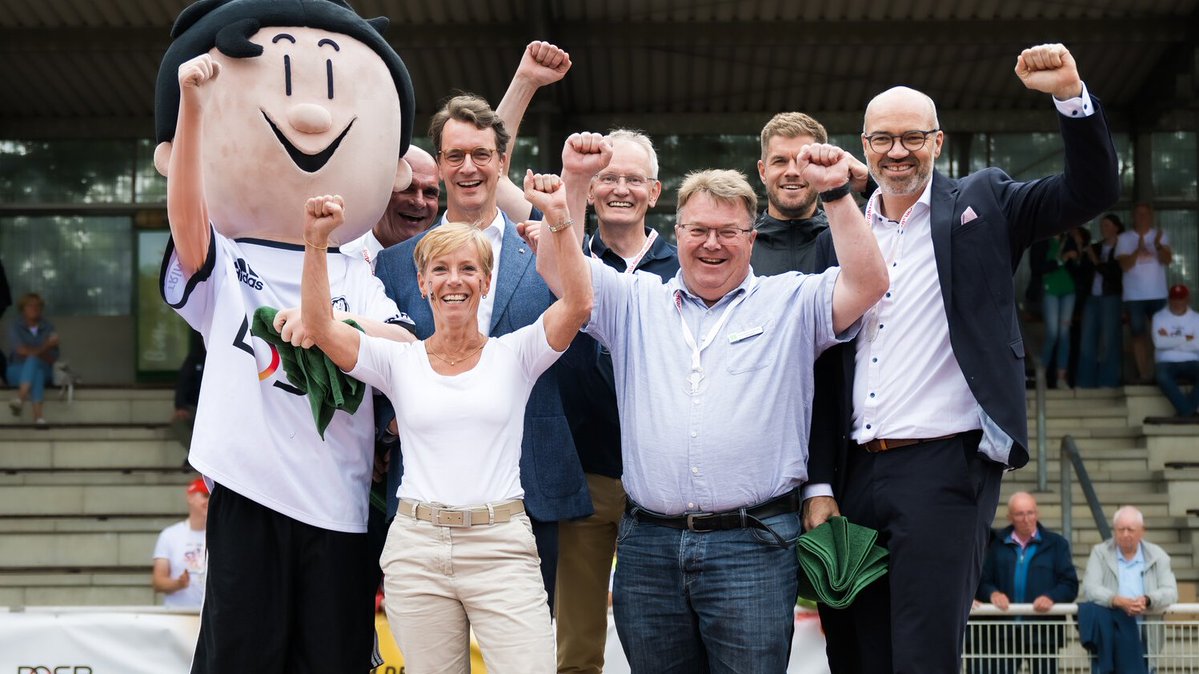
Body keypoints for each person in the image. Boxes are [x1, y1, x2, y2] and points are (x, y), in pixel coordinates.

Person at [809, 44, 1120, 674]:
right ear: (863, 146)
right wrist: (818, 484)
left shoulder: (986, 205)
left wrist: (1070, 96)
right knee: (854, 653)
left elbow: (1092, 191)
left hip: (944, 470)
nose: (898, 151)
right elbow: (819, 371)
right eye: (883, 139)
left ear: (939, 142)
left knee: (923, 656)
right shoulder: (836, 236)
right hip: (852, 479)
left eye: (913, 138)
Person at [538, 150, 888, 671]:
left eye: (728, 232)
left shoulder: (790, 301)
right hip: (648, 548)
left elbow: (867, 284)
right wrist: (573, 181)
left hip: (753, 547)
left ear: (752, 238)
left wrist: (836, 193)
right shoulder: (636, 301)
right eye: (699, 229)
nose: (712, 243)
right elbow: (556, 268)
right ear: (676, 232)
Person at [152, 1, 418, 670]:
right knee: (241, 656)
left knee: (334, 658)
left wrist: (335, 324)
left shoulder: (351, 268)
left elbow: (406, 345)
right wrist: (192, 109)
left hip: (340, 500)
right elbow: (187, 217)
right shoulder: (226, 263)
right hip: (249, 493)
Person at [294, 170, 590, 673]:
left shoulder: (514, 355)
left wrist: (559, 218)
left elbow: (579, 303)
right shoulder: (398, 360)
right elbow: (321, 326)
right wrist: (316, 243)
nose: (455, 280)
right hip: (418, 549)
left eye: (469, 269)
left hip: (502, 548)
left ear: (486, 280)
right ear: (423, 282)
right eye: (442, 270)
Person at [374, 93, 593, 609]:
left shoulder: (545, 251)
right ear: (441, 163)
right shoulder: (394, 264)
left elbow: (583, 323)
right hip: (422, 499)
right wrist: (388, 426)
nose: (468, 168)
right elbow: (377, 362)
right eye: (455, 156)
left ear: (502, 162)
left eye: (480, 155)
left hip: (528, 488)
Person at [554, 129, 679, 674]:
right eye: (608, 177)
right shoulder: (562, 255)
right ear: (592, 188)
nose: (620, 188)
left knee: (662, 643)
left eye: (633, 178)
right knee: (577, 650)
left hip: (665, 486)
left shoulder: (690, 266)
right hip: (583, 478)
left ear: (655, 191)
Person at [971, 492, 1078, 674]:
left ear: (1038, 514)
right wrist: (992, 593)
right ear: (1009, 517)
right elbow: (981, 581)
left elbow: (1070, 584)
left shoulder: (1057, 544)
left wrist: (1051, 597)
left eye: (1030, 513)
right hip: (1002, 634)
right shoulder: (995, 544)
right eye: (1020, 514)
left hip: (1043, 633)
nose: (1026, 519)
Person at [1082, 506, 1179, 661]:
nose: (1125, 534)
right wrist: (1116, 600)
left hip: (1145, 636)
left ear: (1142, 531)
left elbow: (1171, 592)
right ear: (1114, 530)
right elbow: (1089, 588)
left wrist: (1148, 600)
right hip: (1108, 635)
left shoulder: (1158, 555)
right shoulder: (1100, 553)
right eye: (1120, 529)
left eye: (1130, 529)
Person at [340, 146, 441, 270]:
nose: (419, 202)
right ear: (378, 189)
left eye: (430, 193)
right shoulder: (342, 258)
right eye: (407, 188)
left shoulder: (447, 264)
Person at [1117, 203, 1173, 384]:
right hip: (1134, 296)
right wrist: (1137, 249)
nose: (1142, 218)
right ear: (1133, 216)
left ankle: (1161, 372)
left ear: (1151, 216)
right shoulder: (1124, 238)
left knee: (1160, 334)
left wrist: (1157, 245)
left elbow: (1167, 260)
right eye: (1138, 214)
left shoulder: (1160, 236)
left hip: (1158, 293)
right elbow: (1125, 266)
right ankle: (1144, 375)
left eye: (1145, 214)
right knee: (1138, 334)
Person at [1077, 214, 1125, 388]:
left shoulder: (1122, 248)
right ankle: (1085, 382)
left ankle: (1108, 382)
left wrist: (1096, 261)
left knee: (1109, 340)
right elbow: (1083, 273)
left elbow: (1115, 276)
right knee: (1087, 341)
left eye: (1107, 225)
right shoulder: (1095, 248)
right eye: (1102, 225)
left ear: (1116, 227)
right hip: (1092, 298)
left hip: (1111, 297)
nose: (1104, 228)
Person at [151, 477, 210, 610]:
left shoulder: (221, 535)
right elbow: (158, 582)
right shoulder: (170, 535)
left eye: (212, 496)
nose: (209, 501)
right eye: (205, 495)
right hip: (179, 615)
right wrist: (178, 583)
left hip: (212, 617)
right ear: (190, 497)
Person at [7, 292, 60, 424]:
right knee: (36, 371)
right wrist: (45, 346)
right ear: (23, 309)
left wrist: (34, 352)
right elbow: (20, 350)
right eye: (29, 305)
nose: (34, 308)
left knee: (34, 361)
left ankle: (20, 398)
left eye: (37, 306)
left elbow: (52, 358)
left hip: (45, 368)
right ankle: (38, 417)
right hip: (16, 371)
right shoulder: (15, 326)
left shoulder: (49, 327)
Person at [1150, 284, 1199, 417]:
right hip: (1166, 361)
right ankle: (1189, 412)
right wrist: (1187, 338)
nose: (1177, 303)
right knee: (1162, 377)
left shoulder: (1196, 318)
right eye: (1174, 299)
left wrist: (1170, 340)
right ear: (1169, 300)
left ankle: (1185, 411)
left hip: (1193, 361)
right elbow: (1159, 343)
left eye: (1181, 299)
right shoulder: (1158, 317)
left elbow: (1197, 345)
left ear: (1188, 300)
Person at [1039, 230, 1080, 387]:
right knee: (1053, 332)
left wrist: (1077, 251)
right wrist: (1062, 260)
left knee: (1064, 333)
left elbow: (1077, 267)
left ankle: (1061, 377)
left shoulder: (1069, 239)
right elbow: (1038, 267)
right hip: (1050, 291)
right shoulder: (1041, 239)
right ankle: (1041, 374)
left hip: (1068, 290)